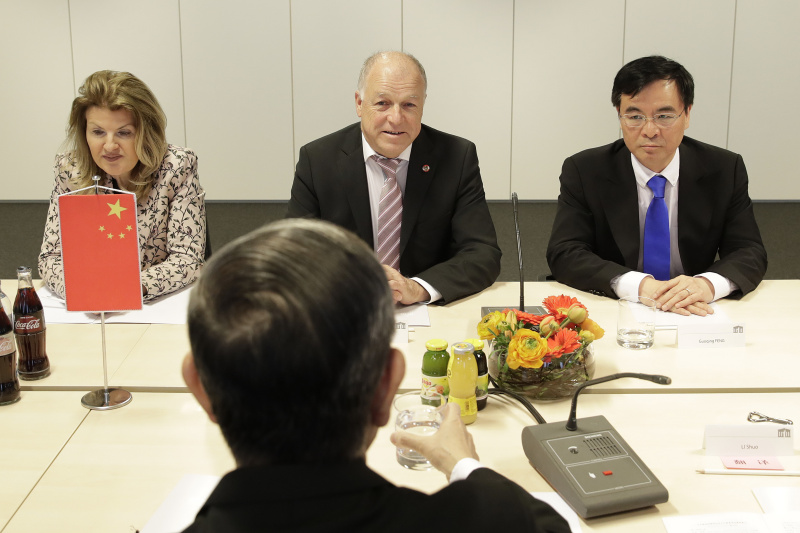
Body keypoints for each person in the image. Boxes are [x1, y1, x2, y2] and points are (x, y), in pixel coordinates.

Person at [181, 218, 569, 533]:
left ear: (199, 385)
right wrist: (465, 466)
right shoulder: (478, 521)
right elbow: (547, 526)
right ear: (387, 385)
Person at [547, 56, 767, 316]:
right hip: (616, 307)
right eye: (635, 116)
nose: (649, 130)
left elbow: (748, 251)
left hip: (693, 309)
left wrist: (705, 285)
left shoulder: (723, 169)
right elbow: (565, 252)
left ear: (687, 115)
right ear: (619, 117)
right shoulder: (585, 170)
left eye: (664, 116)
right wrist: (641, 286)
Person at [287, 51, 501, 305]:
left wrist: (417, 288)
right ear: (359, 103)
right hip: (345, 306)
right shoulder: (318, 160)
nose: (396, 119)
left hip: (427, 312)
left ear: (422, 105)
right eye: (383, 103)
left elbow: (482, 253)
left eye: (409, 105)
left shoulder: (456, 157)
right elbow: (294, 253)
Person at [38, 70, 206, 301]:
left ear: (146, 134)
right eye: (98, 132)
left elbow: (187, 258)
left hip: (155, 302)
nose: (109, 146)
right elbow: (51, 256)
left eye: (124, 133)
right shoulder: (71, 169)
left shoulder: (176, 166)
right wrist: (81, 289)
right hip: (91, 304)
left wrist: (127, 288)